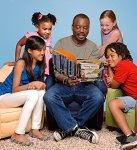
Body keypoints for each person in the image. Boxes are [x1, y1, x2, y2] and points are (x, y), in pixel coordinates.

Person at [43, 14, 105, 144]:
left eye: (85, 28)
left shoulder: (93, 47)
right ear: (72, 28)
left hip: (85, 85)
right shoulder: (61, 43)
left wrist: (91, 73)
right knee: (48, 96)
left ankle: (68, 128)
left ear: (88, 29)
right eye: (78, 27)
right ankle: (77, 129)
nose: (82, 30)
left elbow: (94, 71)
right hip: (64, 85)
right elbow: (55, 71)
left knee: (98, 96)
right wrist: (65, 80)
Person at [0, 36, 48, 146]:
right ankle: (18, 133)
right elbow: (15, 90)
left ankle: (35, 129)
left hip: (18, 96)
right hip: (4, 96)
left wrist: (41, 85)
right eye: (39, 50)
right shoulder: (21, 63)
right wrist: (32, 85)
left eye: (43, 49)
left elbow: (37, 88)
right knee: (34, 94)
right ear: (29, 51)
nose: (42, 53)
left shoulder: (40, 65)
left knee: (41, 92)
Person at [7, 12, 57, 90]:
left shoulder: (48, 37)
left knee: (48, 87)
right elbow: (19, 45)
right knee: (40, 89)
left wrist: (50, 49)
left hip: (46, 68)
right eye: (45, 29)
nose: (47, 32)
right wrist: (16, 61)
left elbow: (46, 46)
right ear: (37, 26)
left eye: (50, 29)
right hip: (38, 69)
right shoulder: (31, 36)